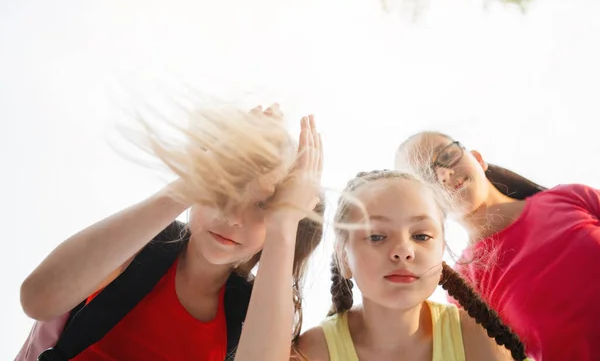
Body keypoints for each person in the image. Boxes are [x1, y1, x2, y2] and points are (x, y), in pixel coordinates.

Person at [18, 104, 324, 361]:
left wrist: (285, 228)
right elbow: (37, 299)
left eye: (262, 204)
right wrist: (190, 181)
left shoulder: (255, 311)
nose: (233, 217)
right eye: (223, 188)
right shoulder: (138, 246)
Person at [394, 131, 600, 360]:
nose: (443, 174)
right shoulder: (465, 287)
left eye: (447, 156)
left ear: (478, 159)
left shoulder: (572, 198)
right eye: (425, 177)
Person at [294, 170, 532, 361]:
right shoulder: (313, 352)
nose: (403, 252)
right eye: (377, 236)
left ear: (441, 253)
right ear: (343, 258)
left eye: (421, 236)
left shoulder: (477, 339)